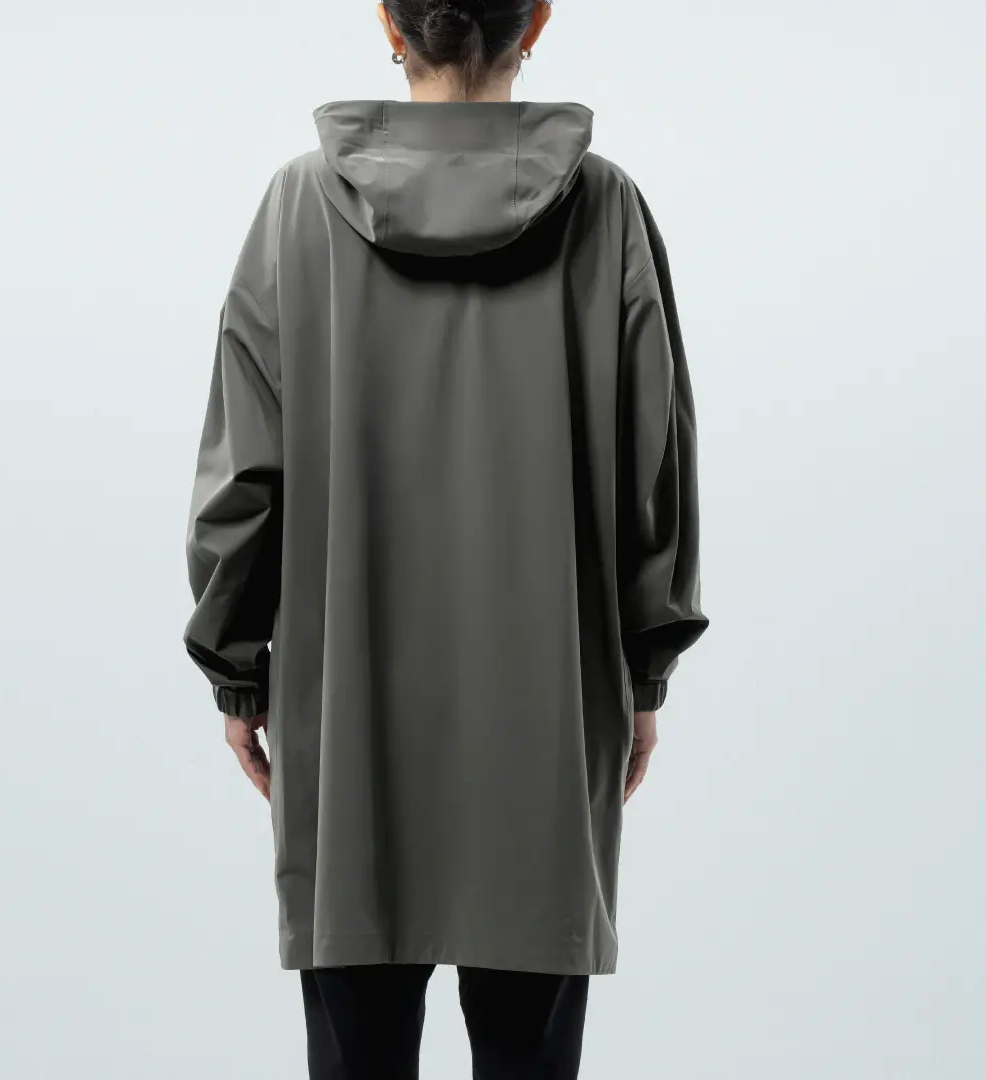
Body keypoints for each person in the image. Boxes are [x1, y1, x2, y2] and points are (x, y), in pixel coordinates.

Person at [183, 1, 709, 1075]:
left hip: (346, 722)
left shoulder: (298, 206)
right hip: (549, 712)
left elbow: (244, 478)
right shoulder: (605, 207)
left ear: (391, 24)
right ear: (537, 20)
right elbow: (653, 463)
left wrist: (238, 674)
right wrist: (644, 674)